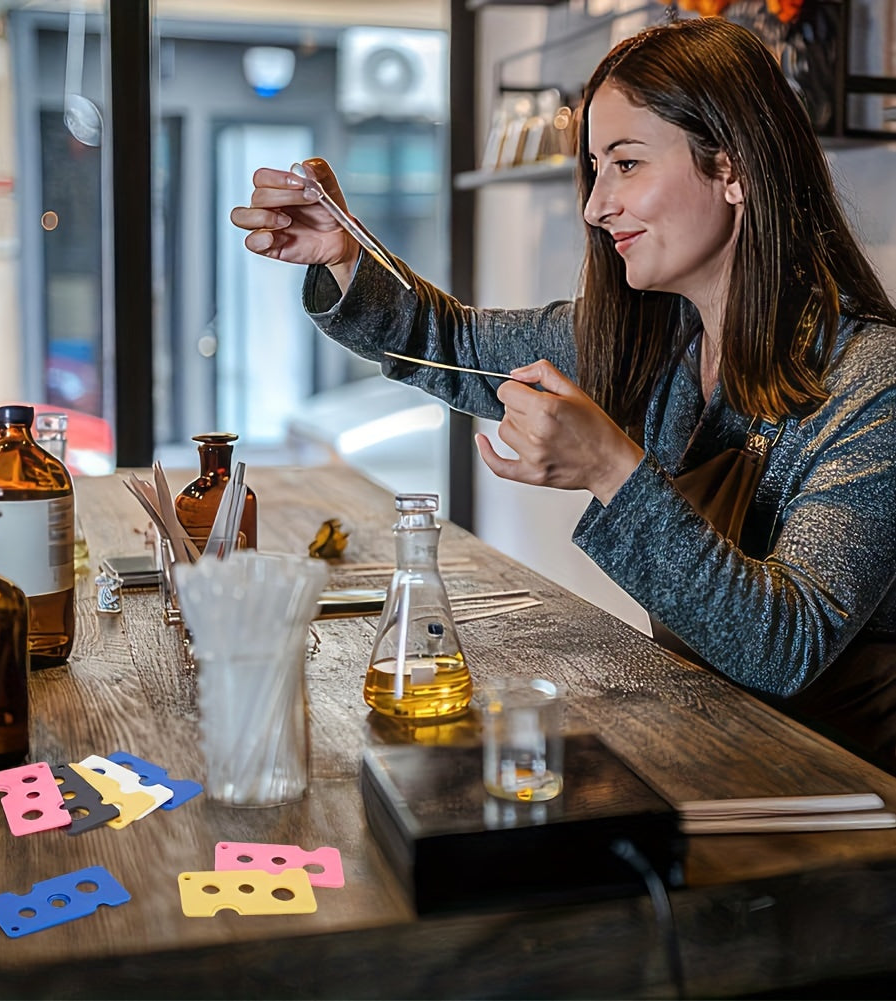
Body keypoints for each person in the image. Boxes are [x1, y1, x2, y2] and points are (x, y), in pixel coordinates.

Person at [231, 15, 896, 771]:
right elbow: (448, 341)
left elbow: (783, 645)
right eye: (594, 168)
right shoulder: (655, 343)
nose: (593, 204)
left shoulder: (872, 381)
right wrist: (346, 253)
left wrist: (612, 470)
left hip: (852, 804)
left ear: (732, 168)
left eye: (625, 163)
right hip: (718, 756)